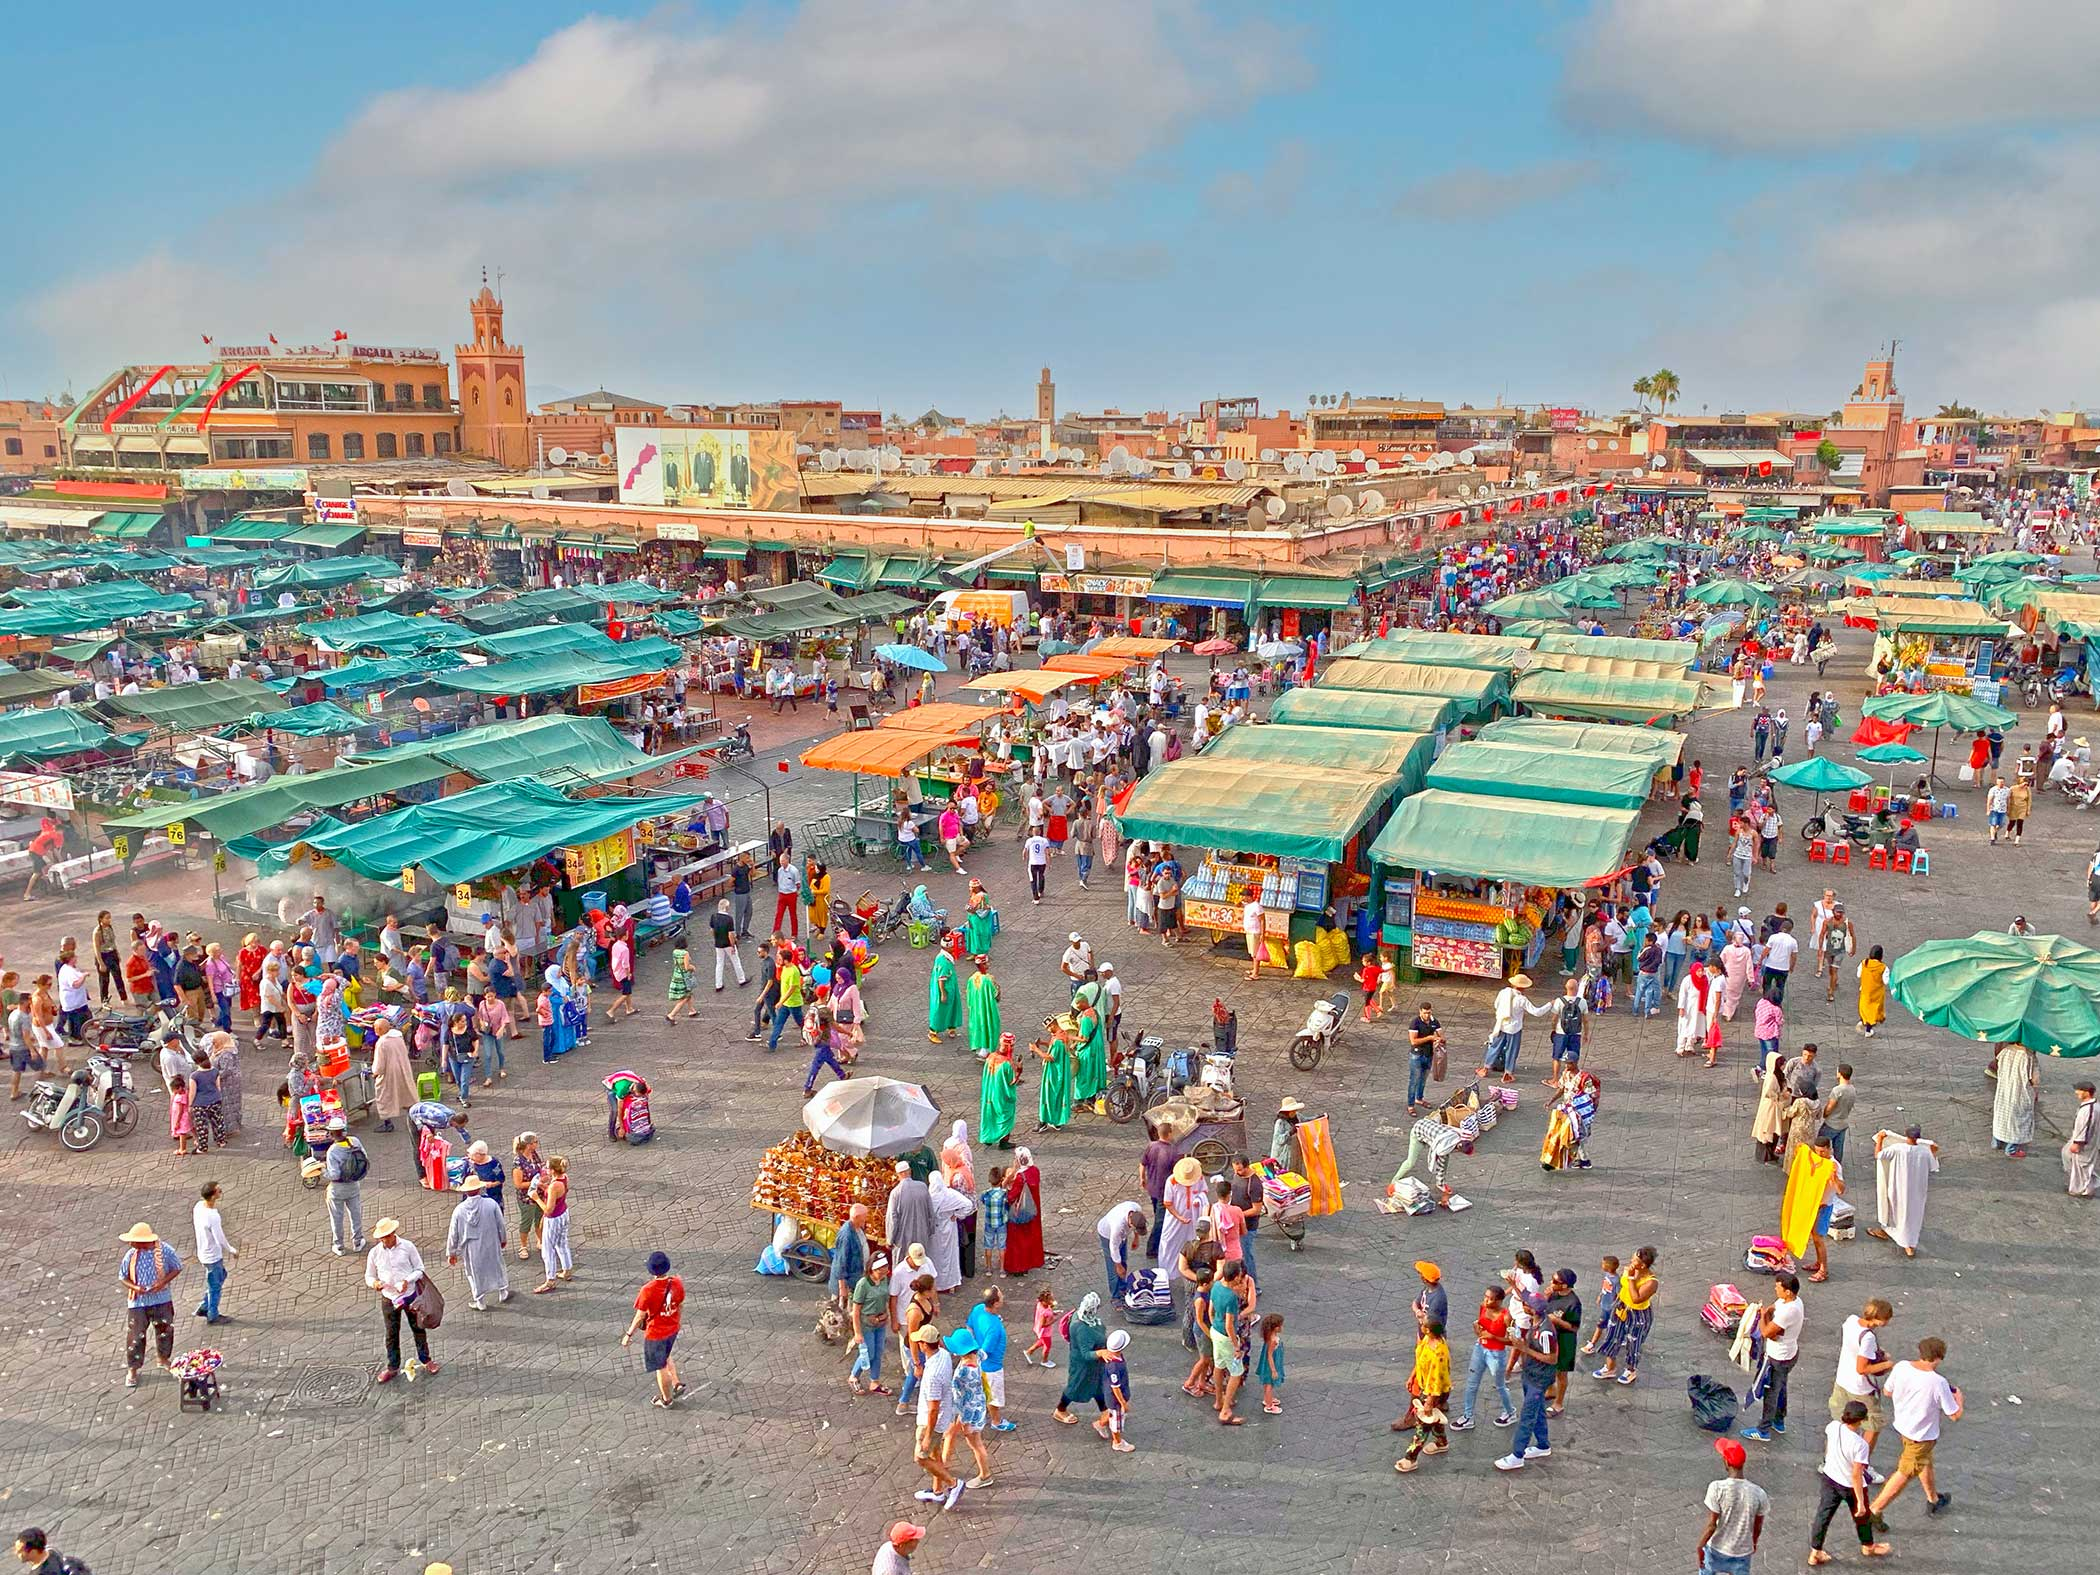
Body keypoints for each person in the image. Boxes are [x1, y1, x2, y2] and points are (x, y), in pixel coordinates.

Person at [1869, 1338, 1961, 1522]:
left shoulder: (1902, 1367)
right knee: (1905, 1472)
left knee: (1924, 1461)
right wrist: (1959, 1397)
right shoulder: (1938, 1382)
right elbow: (1954, 1415)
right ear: (1938, 1358)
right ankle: (1874, 1510)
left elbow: (1888, 1391)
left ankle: (1933, 1499)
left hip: (1904, 1426)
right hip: (1921, 1435)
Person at [1811, 1400, 1891, 1564]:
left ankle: (1815, 1551)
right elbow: (1856, 1474)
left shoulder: (1833, 1426)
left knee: (1823, 1516)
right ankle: (1868, 1546)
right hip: (1848, 1486)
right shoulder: (1860, 1445)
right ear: (1861, 1420)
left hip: (1830, 1478)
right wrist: (1861, 1502)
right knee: (1862, 1516)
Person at [364, 1217, 437, 1383]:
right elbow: (369, 1276)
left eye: (387, 1236)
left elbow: (419, 1269)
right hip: (389, 1298)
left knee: (418, 1328)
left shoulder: (407, 1247)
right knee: (391, 1333)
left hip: (410, 1295)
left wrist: (407, 1281)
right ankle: (392, 1366)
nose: (385, 1240)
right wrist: (374, 1283)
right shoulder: (374, 1253)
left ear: (393, 1234)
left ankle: (426, 1360)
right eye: (382, 1237)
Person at [1740, 1272, 1804, 1442]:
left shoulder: (1789, 1311)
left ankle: (1763, 1430)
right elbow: (1772, 1308)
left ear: (1788, 1291)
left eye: (1778, 1287)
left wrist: (1762, 1316)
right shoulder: (1791, 1301)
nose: (1775, 1289)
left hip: (1778, 1358)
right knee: (1781, 1387)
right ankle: (1779, 1420)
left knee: (1770, 1391)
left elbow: (1767, 1332)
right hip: (1789, 1353)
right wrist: (1766, 1312)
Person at [622, 1250, 688, 1408]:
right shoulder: (677, 1283)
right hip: (672, 1328)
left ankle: (666, 1400)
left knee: (660, 1366)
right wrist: (678, 1321)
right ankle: (676, 1382)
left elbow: (639, 1316)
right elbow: (680, 1304)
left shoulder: (648, 1290)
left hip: (656, 1334)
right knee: (666, 1355)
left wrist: (628, 1334)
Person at [1830, 1297, 1895, 1450]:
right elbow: (1862, 1369)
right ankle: (1861, 1463)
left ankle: (1831, 1460)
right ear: (1879, 1320)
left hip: (1842, 1380)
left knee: (1840, 1422)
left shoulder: (1851, 1321)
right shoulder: (1868, 1338)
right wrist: (1887, 1364)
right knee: (1873, 1425)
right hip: (1860, 1388)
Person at [1698, 1437, 1770, 1575]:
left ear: (1726, 1462)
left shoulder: (1716, 1488)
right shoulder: (1759, 1493)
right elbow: (1757, 1526)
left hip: (1716, 1549)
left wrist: (1699, 1547)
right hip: (1742, 1552)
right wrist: (1753, 1543)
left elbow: (1712, 1525)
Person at [1496, 1314, 1559, 1471]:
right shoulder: (1535, 1323)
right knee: (1538, 1411)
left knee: (1527, 1416)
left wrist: (1525, 1349)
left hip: (1538, 1380)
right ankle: (1543, 1445)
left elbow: (1552, 1358)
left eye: (1526, 1304)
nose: (1523, 1306)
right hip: (1530, 1375)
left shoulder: (1545, 1332)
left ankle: (1517, 1455)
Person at [1450, 1284, 1515, 1430]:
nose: (1486, 1301)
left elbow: (1513, 1340)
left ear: (1498, 1301)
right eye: (1485, 1297)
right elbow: (1480, 1326)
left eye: (1490, 1299)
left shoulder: (1506, 1316)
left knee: (1500, 1386)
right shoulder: (1483, 1307)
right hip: (1480, 1348)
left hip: (1496, 1354)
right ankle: (1467, 1417)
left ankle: (1510, 1412)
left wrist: (1494, 1336)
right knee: (1471, 1384)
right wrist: (1477, 1329)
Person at [1867, 1126, 1939, 1257]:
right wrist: (1933, 1152)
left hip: (1897, 1187)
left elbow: (1878, 1155)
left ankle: (1905, 1242)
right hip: (1917, 1190)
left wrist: (1880, 1140)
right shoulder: (1924, 1152)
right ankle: (1908, 1242)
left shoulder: (1897, 1148)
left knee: (1894, 1212)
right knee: (1913, 1216)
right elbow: (1933, 1166)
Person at [444, 1175, 510, 1311]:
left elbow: (453, 1233)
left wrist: (451, 1252)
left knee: (474, 1272)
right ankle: (503, 1291)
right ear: (479, 1189)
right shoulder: (491, 1204)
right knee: (497, 1264)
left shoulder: (459, 1210)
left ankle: (480, 1300)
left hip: (470, 1246)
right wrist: (503, 1239)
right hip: (490, 1241)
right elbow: (500, 1224)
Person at [1394, 1318, 1451, 1474]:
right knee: (1434, 1419)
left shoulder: (1439, 1352)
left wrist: (1430, 1401)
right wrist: (1413, 1376)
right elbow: (1420, 1359)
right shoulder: (1428, 1340)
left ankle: (1410, 1458)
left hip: (1434, 1392)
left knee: (1423, 1425)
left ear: (1429, 1330)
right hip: (1424, 1385)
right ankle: (1441, 1442)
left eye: (1424, 1325)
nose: (1421, 1326)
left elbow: (1437, 1379)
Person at [1479, 972, 1550, 1085]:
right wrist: (1549, 1004)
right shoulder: (1522, 1000)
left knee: (1495, 1046)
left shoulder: (1503, 992)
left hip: (1501, 1025)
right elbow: (1537, 1012)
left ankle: (1486, 1068)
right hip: (1514, 1029)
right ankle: (1507, 1073)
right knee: (1511, 1051)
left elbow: (1496, 1005)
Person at [1053, 1291, 1109, 1427]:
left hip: (1094, 1365)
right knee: (1074, 1387)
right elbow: (1085, 1353)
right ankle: (1060, 1410)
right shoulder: (1081, 1328)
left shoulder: (1082, 1316)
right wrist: (1101, 1352)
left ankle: (1105, 1410)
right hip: (1082, 1366)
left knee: (1097, 1386)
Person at [191, 1181, 237, 1326]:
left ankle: (205, 1306)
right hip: (212, 1255)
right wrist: (231, 1249)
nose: (221, 1191)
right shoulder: (213, 1216)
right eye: (218, 1190)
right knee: (215, 1285)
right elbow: (219, 1237)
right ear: (212, 1196)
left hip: (203, 1252)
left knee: (220, 1276)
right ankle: (212, 1314)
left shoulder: (198, 1207)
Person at [530, 1155, 573, 1293]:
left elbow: (548, 1210)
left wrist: (536, 1198)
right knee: (562, 1243)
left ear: (553, 1170)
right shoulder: (564, 1177)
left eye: (548, 1167)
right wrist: (545, 1188)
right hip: (564, 1213)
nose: (545, 1169)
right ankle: (567, 1270)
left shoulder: (554, 1185)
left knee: (547, 1250)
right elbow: (559, 1193)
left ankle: (550, 1280)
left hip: (554, 1219)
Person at [1991, 1039, 2039, 1158]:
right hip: (2020, 1092)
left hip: (2003, 1089)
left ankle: (1996, 1141)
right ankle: (2011, 1148)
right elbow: (2035, 1079)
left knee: (2001, 1115)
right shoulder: (2029, 1056)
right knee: (2018, 1119)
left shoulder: (2005, 1051)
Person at [1001, 1147, 1045, 1274]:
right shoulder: (1035, 1171)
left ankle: (1018, 1267)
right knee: (1031, 1237)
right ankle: (1031, 1261)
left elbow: (1011, 1196)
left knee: (1018, 1241)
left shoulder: (1021, 1176)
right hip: (1033, 1209)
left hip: (1020, 1211)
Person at [2065, 1079, 2099, 1197]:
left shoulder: (2088, 1110)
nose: (2076, 1092)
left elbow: (2085, 1128)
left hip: (2084, 1143)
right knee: (2072, 1159)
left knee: (2082, 1165)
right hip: (2086, 1141)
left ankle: (2083, 1189)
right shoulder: (2093, 1107)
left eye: (2079, 1090)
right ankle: (2084, 1186)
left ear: (2087, 1092)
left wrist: (2077, 1143)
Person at [1406, 1001, 1441, 1114]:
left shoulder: (1434, 1022)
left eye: (1429, 1013)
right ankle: (1410, 1105)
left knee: (1423, 1079)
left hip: (1429, 1055)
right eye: (1425, 1013)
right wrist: (1430, 1038)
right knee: (1414, 1080)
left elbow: (1442, 1035)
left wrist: (1439, 1038)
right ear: (1420, 1011)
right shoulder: (1415, 1023)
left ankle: (1419, 1098)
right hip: (1417, 1055)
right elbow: (1413, 1041)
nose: (1427, 1015)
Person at [926, 940, 962, 1044]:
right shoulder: (943, 961)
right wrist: (943, 994)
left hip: (951, 987)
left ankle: (951, 1027)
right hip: (944, 989)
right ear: (947, 948)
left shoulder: (945, 957)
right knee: (939, 1010)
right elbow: (941, 980)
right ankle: (932, 1032)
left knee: (953, 1008)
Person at [13, 1528, 90, 1575]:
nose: (16, 1553)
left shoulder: (39, 1573)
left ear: (33, 1551)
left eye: (20, 1551)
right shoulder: (52, 1551)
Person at [1856, 944, 1887, 1038]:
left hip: (1865, 991)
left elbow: (1858, 975)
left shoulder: (1864, 963)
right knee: (1873, 1012)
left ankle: (1863, 1021)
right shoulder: (1883, 967)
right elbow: (1886, 981)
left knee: (1865, 1009)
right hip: (1876, 994)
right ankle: (1868, 1030)